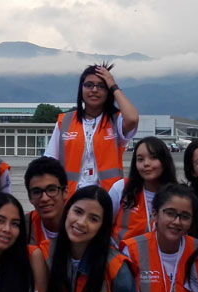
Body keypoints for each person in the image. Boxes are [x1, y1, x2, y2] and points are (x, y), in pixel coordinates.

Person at [43, 64, 139, 195]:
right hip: (71, 198)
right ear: (81, 90)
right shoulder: (65, 121)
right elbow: (49, 162)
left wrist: (113, 85)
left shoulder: (116, 121)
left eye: (101, 86)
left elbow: (133, 118)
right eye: (89, 85)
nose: (94, 90)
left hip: (107, 199)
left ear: (108, 91)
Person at [110, 136, 179, 242]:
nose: (146, 163)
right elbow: (103, 225)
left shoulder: (177, 196)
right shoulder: (121, 188)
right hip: (121, 256)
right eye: (140, 159)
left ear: (164, 161)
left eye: (153, 157)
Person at [24, 156, 68, 247]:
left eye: (51, 190)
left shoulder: (80, 225)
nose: (44, 198)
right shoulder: (22, 228)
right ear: (29, 197)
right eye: (36, 192)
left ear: (65, 192)